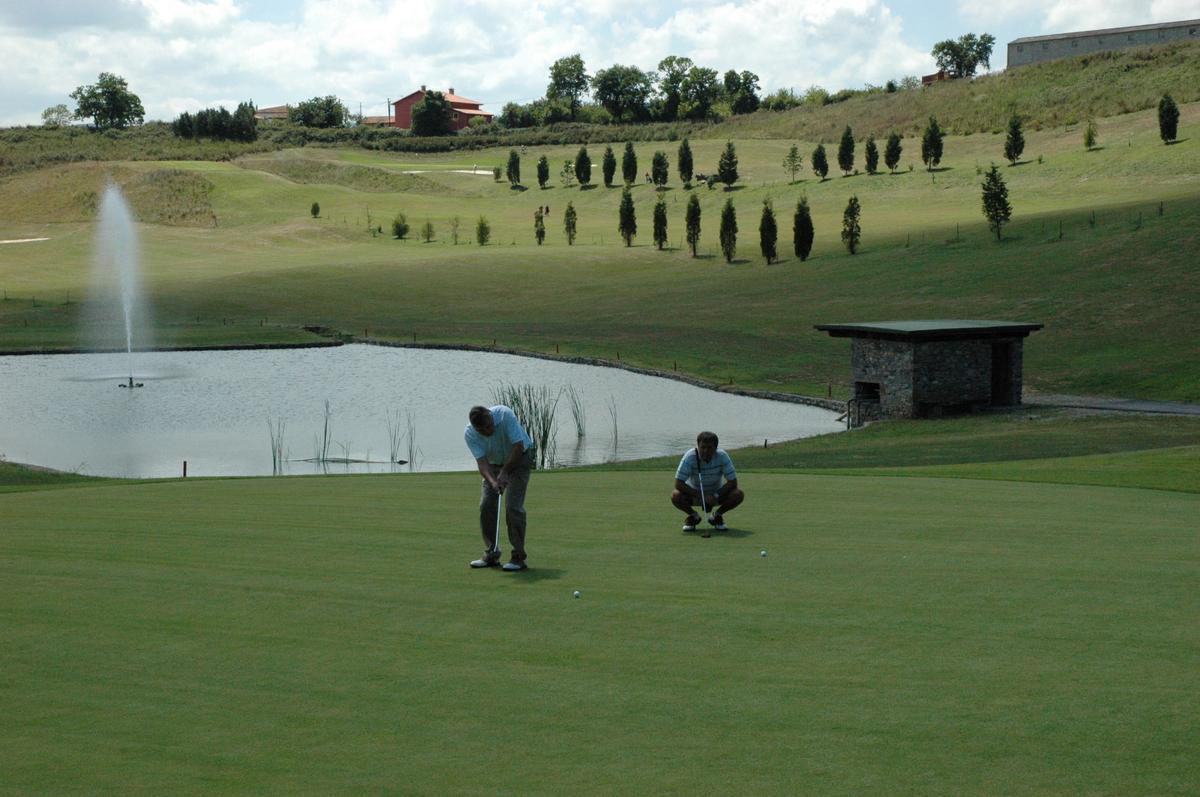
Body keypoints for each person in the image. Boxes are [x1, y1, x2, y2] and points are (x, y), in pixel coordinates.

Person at [464, 405, 536, 570]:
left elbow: (518, 447)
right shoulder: (469, 434)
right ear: (475, 428)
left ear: (490, 415)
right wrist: (493, 481)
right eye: (482, 430)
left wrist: (504, 473)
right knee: (486, 505)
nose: (488, 431)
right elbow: (482, 463)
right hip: (494, 464)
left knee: (513, 507)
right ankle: (491, 553)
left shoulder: (504, 415)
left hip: (520, 458)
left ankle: (518, 557)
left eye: (489, 426)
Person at [671, 431, 744, 532]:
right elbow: (678, 483)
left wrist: (714, 496)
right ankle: (693, 516)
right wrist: (702, 496)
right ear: (698, 446)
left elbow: (733, 482)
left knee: (738, 494)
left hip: (717, 495)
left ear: (716, 448)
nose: (705, 451)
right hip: (694, 495)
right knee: (675, 495)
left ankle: (716, 516)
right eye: (703, 447)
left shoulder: (722, 456)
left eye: (709, 448)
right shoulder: (690, 457)